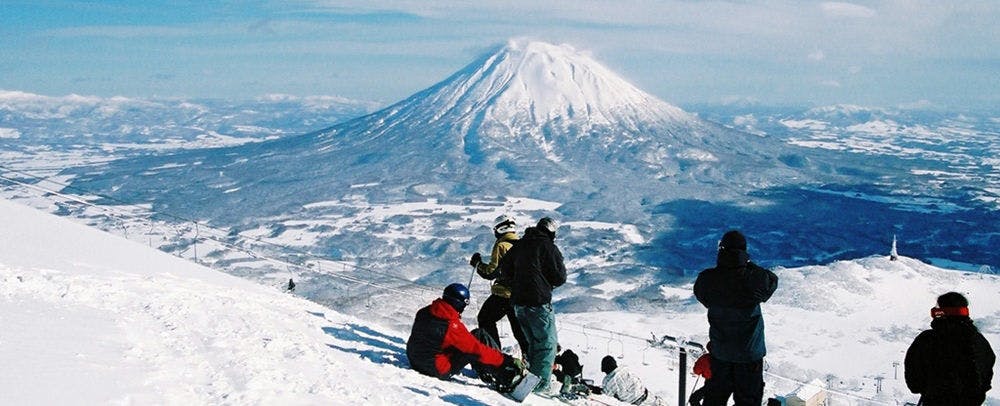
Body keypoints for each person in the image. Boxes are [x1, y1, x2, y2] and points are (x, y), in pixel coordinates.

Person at [693, 230, 778, 406]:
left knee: (714, 400)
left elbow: (703, 297)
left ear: (721, 250)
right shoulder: (754, 279)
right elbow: (771, 280)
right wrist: (746, 263)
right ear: (744, 251)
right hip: (749, 356)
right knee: (748, 401)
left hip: (720, 354)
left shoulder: (707, 280)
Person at [406, 283, 526, 393]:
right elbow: (476, 349)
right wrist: (505, 360)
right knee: (477, 342)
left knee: (471, 340)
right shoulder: (451, 325)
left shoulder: (425, 311)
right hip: (436, 368)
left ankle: (490, 370)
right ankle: (505, 376)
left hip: (415, 360)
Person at [499, 216, 567, 394]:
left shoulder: (520, 245)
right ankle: (539, 386)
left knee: (531, 344)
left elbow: (504, 270)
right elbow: (560, 277)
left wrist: (518, 282)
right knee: (546, 344)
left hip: (518, 303)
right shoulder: (548, 247)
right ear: (552, 232)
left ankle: (529, 380)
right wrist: (543, 282)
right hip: (538, 302)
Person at [904, 292, 995, 405]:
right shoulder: (980, 342)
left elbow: (914, 383)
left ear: (941, 313)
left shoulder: (928, 340)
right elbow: (985, 381)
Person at [470, 214, 528, 354]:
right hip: (520, 294)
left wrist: (477, 264)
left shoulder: (501, 245)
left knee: (485, 319)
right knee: (519, 331)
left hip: (503, 294)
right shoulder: (522, 244)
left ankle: (493, 355)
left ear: (500, 229)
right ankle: (529, 360)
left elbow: (491, 272)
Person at [599, 355, 666, 405]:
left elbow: (606, 393)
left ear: (605, 369)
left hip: (636, 403)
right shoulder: (625, 369)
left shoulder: (609, 382)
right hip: (647, 395)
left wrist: (593, 388)